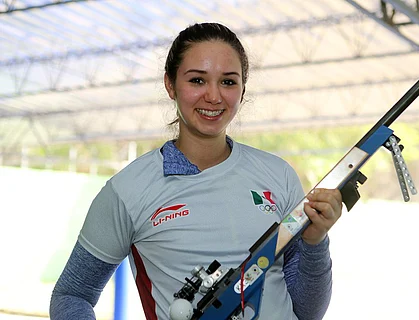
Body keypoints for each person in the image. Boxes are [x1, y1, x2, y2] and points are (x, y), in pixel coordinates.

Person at [50, 22, 343, 320]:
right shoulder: (127, 191)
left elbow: (306, 312)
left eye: (228, 82)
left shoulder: (278, 175)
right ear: (170, 84)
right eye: (197, 81)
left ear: (242, 90)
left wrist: (315, 241)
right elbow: (72, 295)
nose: (214, 97)